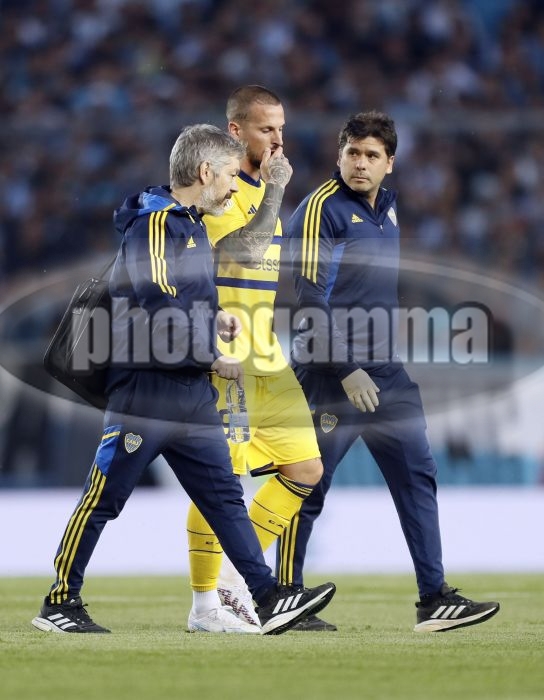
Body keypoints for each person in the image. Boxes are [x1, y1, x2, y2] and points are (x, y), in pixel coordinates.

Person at [31, 124, 335, 636]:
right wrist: (213, 352)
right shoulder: (152, 224)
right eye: (231, 176)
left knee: (224, 498)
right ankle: (60, 601)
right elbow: (157, 301)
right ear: (205, 172)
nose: (236, 187)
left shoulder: (192, 227)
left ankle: (267, 598)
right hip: (145, 390)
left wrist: (217, 319)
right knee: (104, 498)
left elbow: (185, 298)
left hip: (191, 391)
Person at [282, 110, 500, 632]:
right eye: (353, 153)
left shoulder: (388, 210)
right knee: (308, 485)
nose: (360, 163)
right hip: (330, 375)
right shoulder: (321, 209)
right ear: (339, 155)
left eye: (371, 155)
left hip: (388, 374)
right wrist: (347, 369)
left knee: (417, 476)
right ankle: (283, 596)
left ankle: (434, 598)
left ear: (390, 164)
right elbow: (308, 299)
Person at [185, 86, 335, 633]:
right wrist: (274, 191)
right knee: (219, 481)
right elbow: (243, 254)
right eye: (266, 128)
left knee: (306, 468)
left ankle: (231, 579)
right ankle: (205, 605)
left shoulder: (262, 189)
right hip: (226, 355)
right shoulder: (217, 190)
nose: (277, 139)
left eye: (281, 128)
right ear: (236, 131)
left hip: (268, 354)